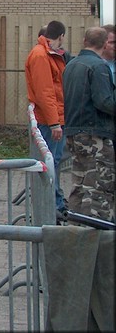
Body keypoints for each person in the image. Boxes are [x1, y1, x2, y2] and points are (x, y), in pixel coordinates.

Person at [61, 26, 115, 223]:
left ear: (85, 41)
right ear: (104, 44)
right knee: (101, 185)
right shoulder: (99, 67)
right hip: (95, 135)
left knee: (79, 183)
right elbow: (104, 101)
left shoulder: (72, 65)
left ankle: (75, 227)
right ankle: (100, 235)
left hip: (74, 131)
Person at [24, 20, 68, 220]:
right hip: (50, 120)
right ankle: (53, 206)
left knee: (52, 163)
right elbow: (46, 92)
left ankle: (55, 202)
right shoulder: (42, 56)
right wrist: (54, 122)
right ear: (60, 36)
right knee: (52, 163)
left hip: (52, 117)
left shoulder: (44, 54)